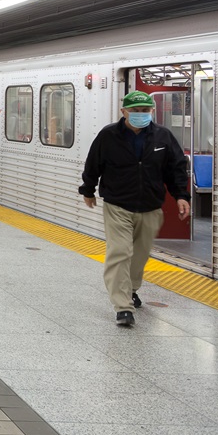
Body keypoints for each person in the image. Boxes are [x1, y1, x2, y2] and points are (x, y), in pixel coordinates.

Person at [79, 90, 190, 327]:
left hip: (150, 207)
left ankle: (131, 288)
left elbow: (176, 168)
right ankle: (123, 307)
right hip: (117, 204)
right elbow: (93, 164)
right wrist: (88, 190)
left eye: (145, 110)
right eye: (136, 111)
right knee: (120, 252)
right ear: (124, 112)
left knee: (139, 256)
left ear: (151, 111)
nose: (141, 115)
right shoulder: (108, 136)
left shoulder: (163, 137)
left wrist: (181, 195)